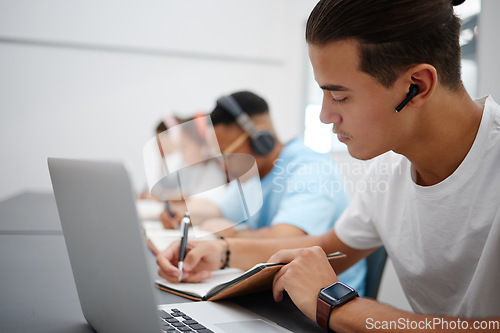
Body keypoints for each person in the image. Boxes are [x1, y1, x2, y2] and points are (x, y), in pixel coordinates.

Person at [157, 0, 500, 330]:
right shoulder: (390, 169)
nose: (324, 116)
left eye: (339, 96)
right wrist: (222, 252)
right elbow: (329, 246)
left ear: (417, 86)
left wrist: (340, 308)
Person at [159, 90, 367, 296]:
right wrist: (183, 213)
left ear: (261, 138)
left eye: (228, 155)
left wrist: (230, 235)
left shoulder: (310, 168)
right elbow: (216, 208)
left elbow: (286, 239)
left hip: (323, 300)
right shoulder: (255, 173)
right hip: (275, 289)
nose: (224, 165)